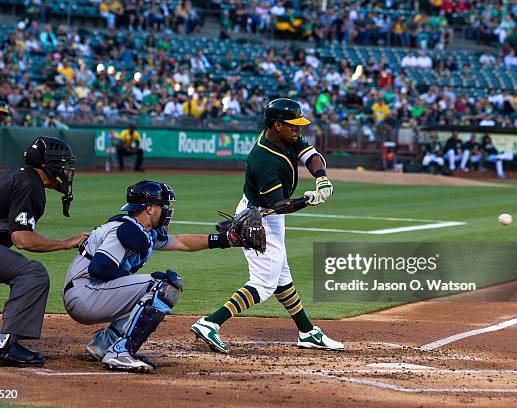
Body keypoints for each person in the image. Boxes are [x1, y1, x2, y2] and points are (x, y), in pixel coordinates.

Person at [191, 98, 344, 353]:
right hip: (258, 217)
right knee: (264, 283)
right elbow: (279, 205)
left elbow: (311, 155)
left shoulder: (286, 138)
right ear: (276, 125)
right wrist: (307, 200)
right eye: (293, 125)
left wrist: (322, 179)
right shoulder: (263, 160)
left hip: (268, 213)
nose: (298, 129)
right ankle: (210, 323)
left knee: (282, 277)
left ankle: (307, 332)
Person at [63, 180, 249, 372]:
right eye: (163, 206)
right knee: (161, 287)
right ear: (150, 208)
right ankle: (121, 351)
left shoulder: (141, 230)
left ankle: (103, 344)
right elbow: (99, 267)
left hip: (87, 292)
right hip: (84, 294)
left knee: (147, 289)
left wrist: (226, 240)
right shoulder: (126, 230)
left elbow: (181, 242)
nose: (167, 211)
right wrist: (137, 280)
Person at [0, 137, 89, 367]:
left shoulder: (12, 174)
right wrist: (65, 243)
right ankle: (4, 346)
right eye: (63, 164)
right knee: (32, 274)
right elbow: (22, 239)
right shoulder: (30, 185)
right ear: (48, 165)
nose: (67, 170)